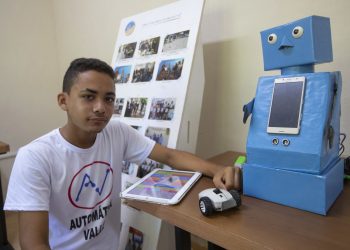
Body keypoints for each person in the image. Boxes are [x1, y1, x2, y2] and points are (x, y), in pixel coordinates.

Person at [4, 58, 241, 250]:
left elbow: (169, 156)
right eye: (88, 97)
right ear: (63, 101)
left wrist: (217, 169)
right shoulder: (35, 157)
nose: (101, 107)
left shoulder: (115, 131)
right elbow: (33, 243)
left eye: (108, 99)